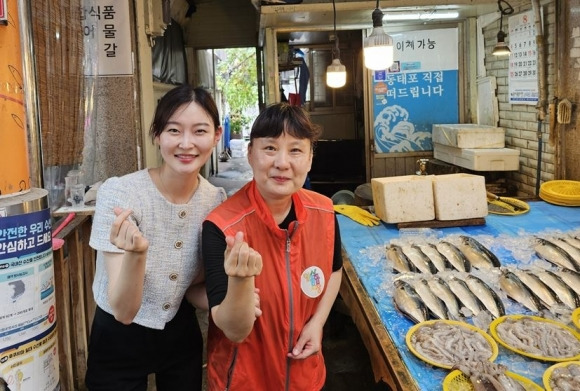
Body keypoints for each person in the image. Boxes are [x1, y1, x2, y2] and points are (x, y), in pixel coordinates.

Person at [85, 85, 225, 391]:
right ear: (157, 135)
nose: (186, 143)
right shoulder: (120, 193)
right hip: (118, 337)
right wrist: (137, 256)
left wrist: (237, 295)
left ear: (216, 135)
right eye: (174, 130)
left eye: (199, 131)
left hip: (180, 332)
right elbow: (123, 311)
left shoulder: (216, 201)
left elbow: (198, 288)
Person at [202, 102, 343, 390]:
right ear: (250, 154)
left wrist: (317, 324)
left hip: (306, 374)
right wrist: (240, 280)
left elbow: (334, 271)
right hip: (244, 379)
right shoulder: (221, 227)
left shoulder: (324, 211)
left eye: (295, 150)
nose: (282, 162)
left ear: (310, 158)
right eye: (270, 148)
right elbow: (232, 329)